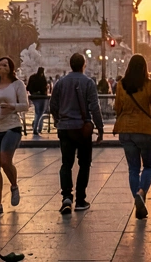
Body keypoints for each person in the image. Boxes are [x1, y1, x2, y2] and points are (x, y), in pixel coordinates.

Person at [50, 52, 103, 213]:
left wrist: (57, 120)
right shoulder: (88, 82)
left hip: (65, 128)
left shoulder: (60, 82)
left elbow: (53, 104)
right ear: (83, 65)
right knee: (84, 163)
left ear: (70, 65)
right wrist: (100, 129)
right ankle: (80, 199)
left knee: (66, 163)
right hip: (82, 129)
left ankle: (66, 196)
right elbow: (94, 107)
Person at [114, 54, 151, 220]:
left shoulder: (121, 85)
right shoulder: (150, 85)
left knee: (133, 168)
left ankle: (137, 196)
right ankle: (141, 192)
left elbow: (117, 107)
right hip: (145, 129)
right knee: (149, 165)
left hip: (126, 130)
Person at [0, 56, 29, 217]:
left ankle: (14, 185)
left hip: (12, 127)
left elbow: (25, 105)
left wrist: (12, 106)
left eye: (5, 64)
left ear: (11, 69)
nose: (1, 67)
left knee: (4, 161)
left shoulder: (18, 85)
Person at [27, 67, 50, 137]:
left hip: (34, 97)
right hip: (42, 97)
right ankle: (37, 128)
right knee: (40, 112)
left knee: (38, 112)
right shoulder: (42, 78)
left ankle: (37, 127)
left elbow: (28, 87)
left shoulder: (33, 77)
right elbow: (45, 88)